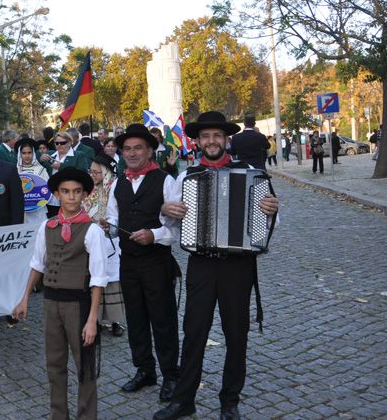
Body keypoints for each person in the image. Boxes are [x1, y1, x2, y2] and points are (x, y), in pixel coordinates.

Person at [155, 111, 279, 420]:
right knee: (194, 331)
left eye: (217, 136)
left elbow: (267, 221)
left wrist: (272, 210)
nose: (212, 141)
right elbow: (170, 225)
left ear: (226, 140)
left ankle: (230, 401)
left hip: (238, 266)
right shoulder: (187, 176)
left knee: (237, 334)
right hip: (202, 264)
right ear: (197, 142)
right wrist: (165, 209)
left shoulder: (251, 173)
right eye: (206, 136)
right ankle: (184, 400)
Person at [12, 167, 108, 420]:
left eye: (77, 192)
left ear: (84, 195)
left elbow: (99, 278)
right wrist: (23, 299)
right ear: (57, 195)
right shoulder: (47, 226)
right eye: (65, 192)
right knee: (55, 365)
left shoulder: (92, 231)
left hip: (78, 306)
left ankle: (87, 416)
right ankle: (58, 415)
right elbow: (37, 263)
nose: (71, 197)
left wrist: (92, 320)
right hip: (51, 304)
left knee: (84, 366)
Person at [105, 124, 180, 405]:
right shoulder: (117, 184)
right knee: (135, 319)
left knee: (163, 320)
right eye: (127, 149)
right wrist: (106, 227)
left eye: (138, 148)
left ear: (150, 150)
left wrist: (153, 234)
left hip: (157, 263)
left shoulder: (165, 181)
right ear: (121, 153)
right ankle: (145, 370)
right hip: (129, 263)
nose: (132, 153)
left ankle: (171, 375)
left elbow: (175, 228)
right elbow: (114, 223)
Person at [83, 153, 125, 338]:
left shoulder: (115, 187)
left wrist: (108, 223)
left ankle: (116, 321)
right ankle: (96, 320)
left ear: (106, 172)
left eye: (96, 172)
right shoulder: (90, 189)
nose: (92, 175)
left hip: (111, 240)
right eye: (91, 172)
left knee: (112, 280)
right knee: (95, 278)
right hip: (93, 239)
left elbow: (118, 212)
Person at [40, 131, 91, 218]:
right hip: (51, 199)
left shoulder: (79, 155)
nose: (59, 145)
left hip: (71, 198)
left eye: (63, 143)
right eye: (57, 143)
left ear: (70, 143)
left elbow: (83, 172)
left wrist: (61, 166)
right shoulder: (49, 155)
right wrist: (41, 159)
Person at [16, 137, 49, 226]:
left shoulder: (41, 170)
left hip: (38, 211)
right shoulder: (14, 171)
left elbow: (47, 189)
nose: (27, 156)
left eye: (29, 153)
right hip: (20, 211)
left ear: (33, 153)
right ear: (20, 154)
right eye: (24, 153)